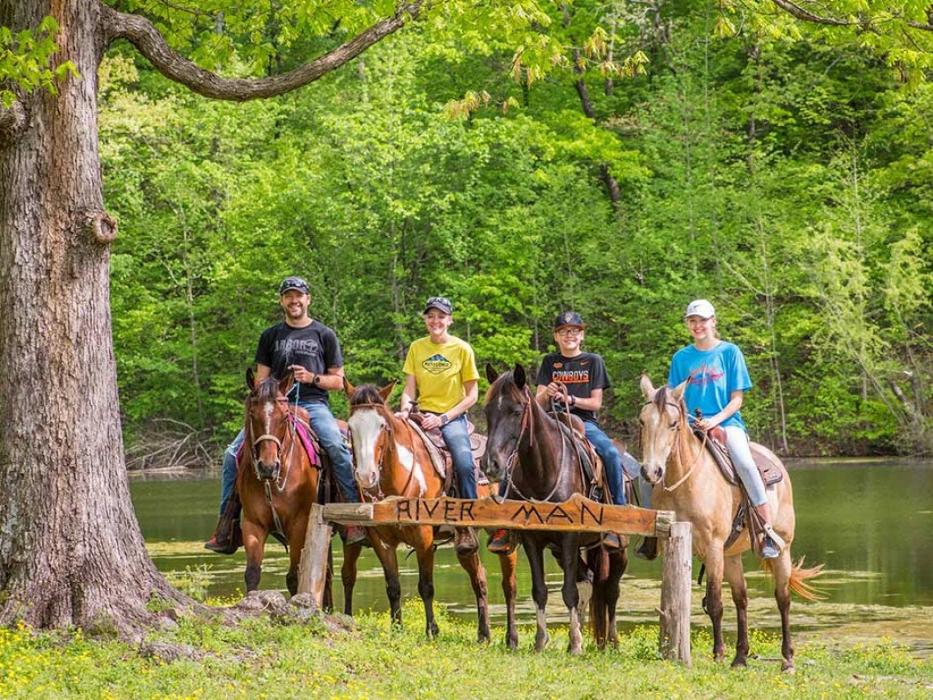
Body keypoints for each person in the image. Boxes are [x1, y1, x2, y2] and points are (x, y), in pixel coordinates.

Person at [204, 276, 367, 552]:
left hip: (314, 405)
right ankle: (227, 525)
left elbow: (338, 381)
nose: (294, 301)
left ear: (308, 299)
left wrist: (312, 378)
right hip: (276, 406)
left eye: (299, 296)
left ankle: (352, 519)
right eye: (289, 296)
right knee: (232, 454)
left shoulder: (324, 334)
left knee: (336, 445)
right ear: (282, 301)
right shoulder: (270, 336)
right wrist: (268, 395)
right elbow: (261, 379)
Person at [489, 311, 626, 552]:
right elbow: (537, 402)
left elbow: (596, 404)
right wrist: (546, 392)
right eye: (563, 331)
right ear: (556, 336)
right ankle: (504, 524)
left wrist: (570, 398)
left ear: (581, 335)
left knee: (611, 455)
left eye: (574, 331)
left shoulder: (593, 361)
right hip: (550, 420)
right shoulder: (549, 362)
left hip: (583, 422)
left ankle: (618, 518)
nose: (569, 335)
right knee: (513, 458)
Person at [667, 298, 784, 559]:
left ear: (713, 322)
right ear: (688, 324)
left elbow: (737, 399)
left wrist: (714, 420)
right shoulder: (681, 358)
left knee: (743, 462)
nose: (698, 326)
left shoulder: (730, 352)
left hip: (726, 422)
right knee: (658, 464)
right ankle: (654, 532)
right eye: (693, 321)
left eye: (703, 321)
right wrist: (687, 421)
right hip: (688, 426)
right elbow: (674, 397)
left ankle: (765, 529)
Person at [398, 296, 481, 555]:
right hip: (420, 414)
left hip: (451, 417)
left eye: (441, 316)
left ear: (450, 320)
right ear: (425, 319)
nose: (436, 321)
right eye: (431, 316)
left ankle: (467, 525)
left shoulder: (462, 348)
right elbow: (409, 389)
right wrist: (404, 409)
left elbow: (472, 396)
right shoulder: (416, 347)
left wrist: (444, 418)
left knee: (465, 462)